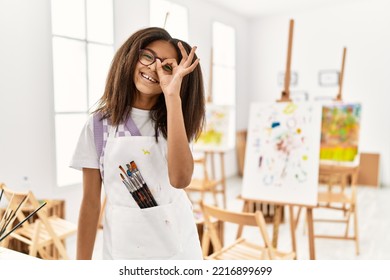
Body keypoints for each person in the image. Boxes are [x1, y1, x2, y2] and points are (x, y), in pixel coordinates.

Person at [70, 27, 205, 260]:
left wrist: (172, 95)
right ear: (131, 57)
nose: (153, 67)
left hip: (177, 247)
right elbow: (91, 203)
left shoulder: (172, 121)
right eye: (147, 56)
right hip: (124, 247)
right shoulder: (99, 125)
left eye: (166, 66)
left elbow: (180, 180)